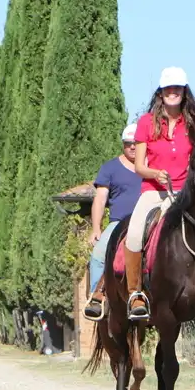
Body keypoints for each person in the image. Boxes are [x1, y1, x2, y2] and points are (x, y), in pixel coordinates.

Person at [125, 66, 195, 321]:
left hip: (188, 194)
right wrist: (155, 174)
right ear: (161, 92)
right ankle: (136, 294)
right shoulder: (146, 123)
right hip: (155, 192)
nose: (173, 92)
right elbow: (139, 165)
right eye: (168, 88)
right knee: (133, 234)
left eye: (177, 88)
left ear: (184, 92)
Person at [83, 123, 142, 321]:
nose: (132, 147)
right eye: (128, 144)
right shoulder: (110, 168)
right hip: (119, 223)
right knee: (99, 255)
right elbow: (100, 199)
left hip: (147, 220)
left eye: (136, 143)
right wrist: (96, 228)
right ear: (123, 145)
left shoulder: (150, 166)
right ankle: (97, 298)